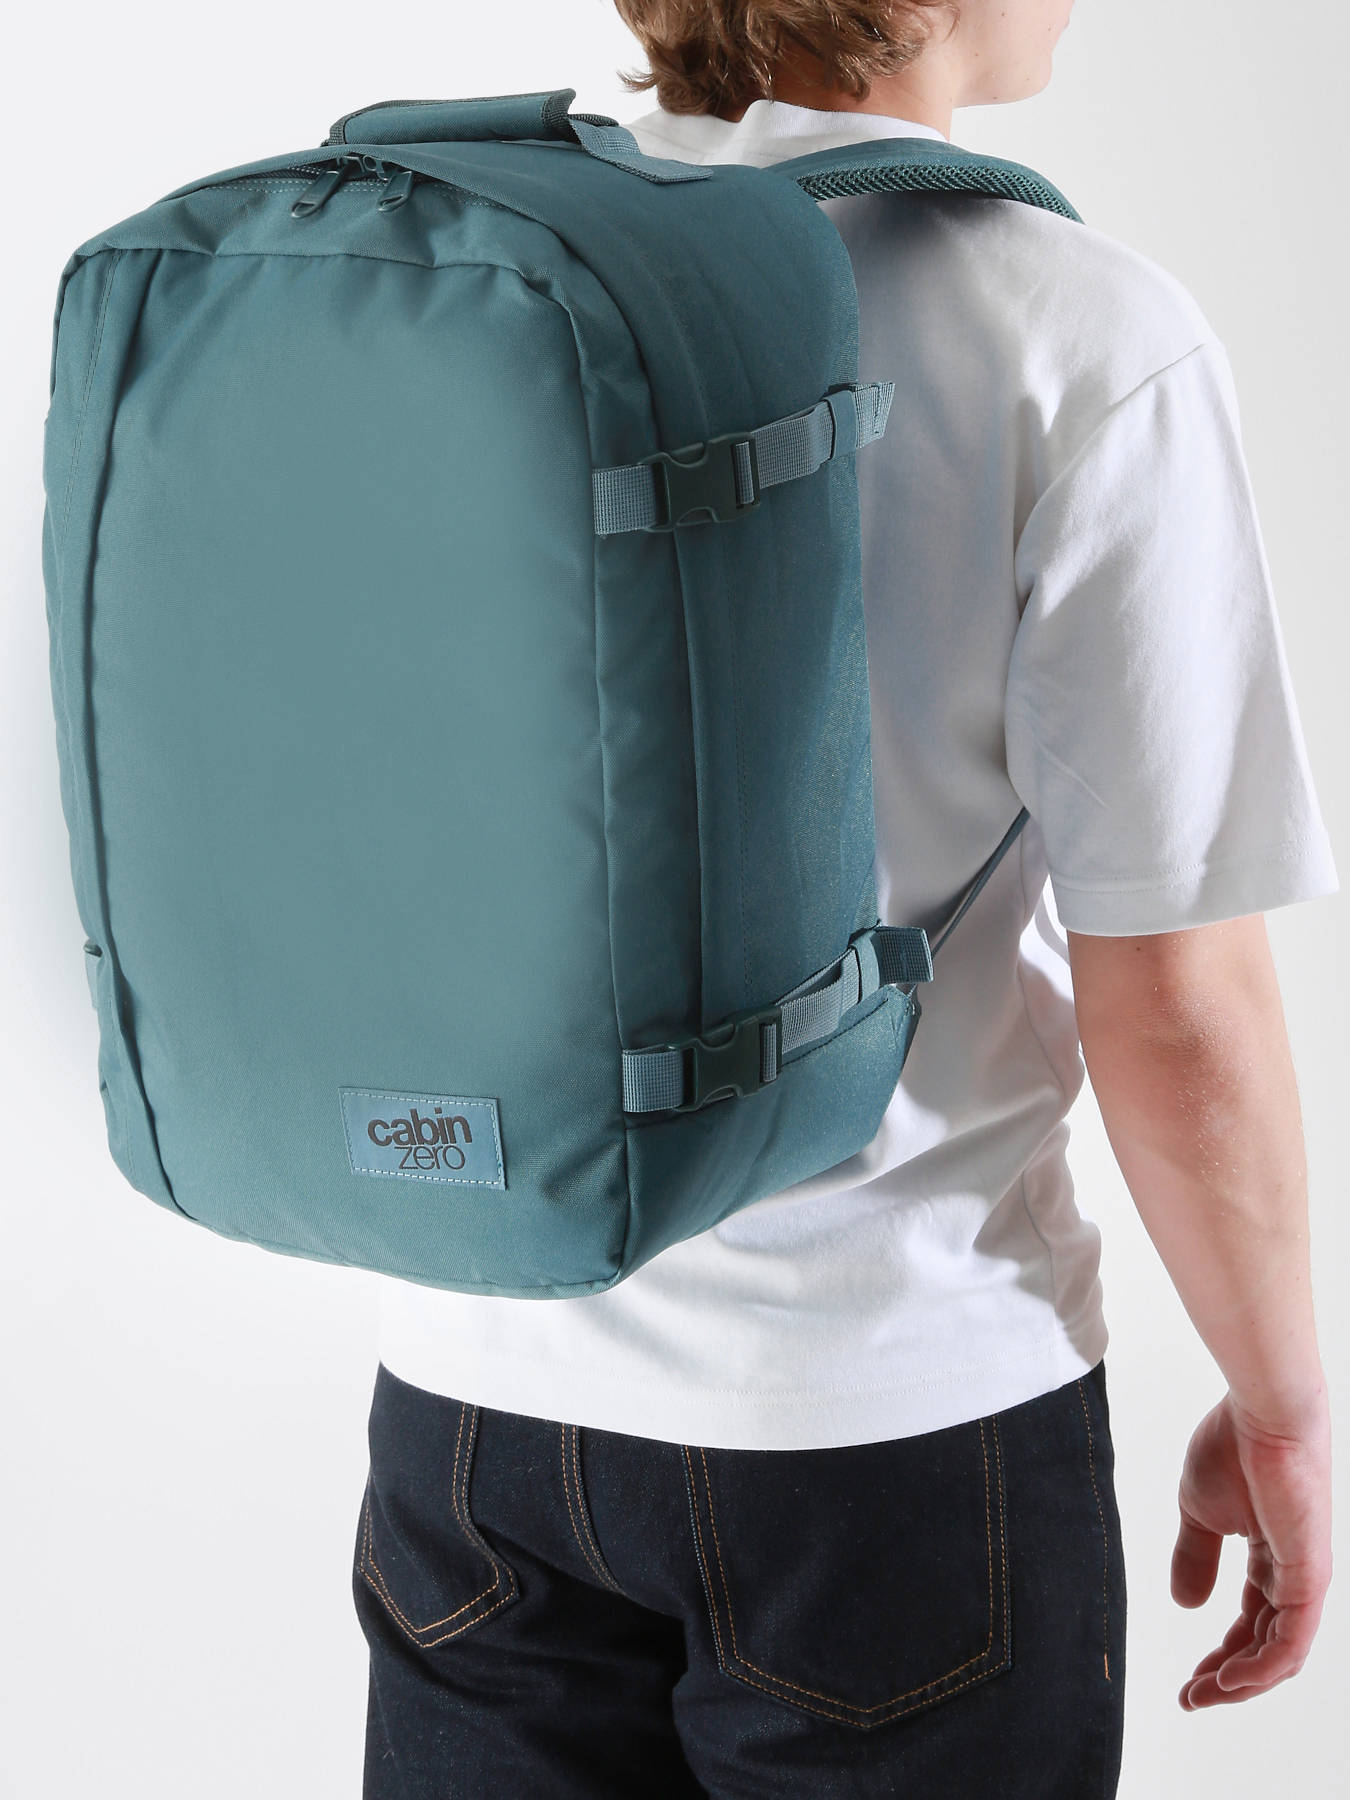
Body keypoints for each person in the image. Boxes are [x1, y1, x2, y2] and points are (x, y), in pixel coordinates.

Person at [351, 4, 1338, 1793]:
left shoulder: (462, 259)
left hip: (470, 1394)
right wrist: (1283, 1405)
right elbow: (1177, 999)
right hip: (887, 1418)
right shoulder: (1070, 327)